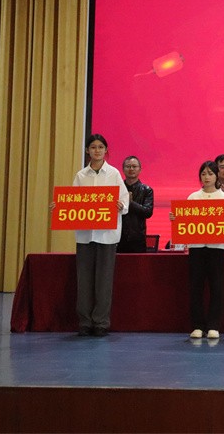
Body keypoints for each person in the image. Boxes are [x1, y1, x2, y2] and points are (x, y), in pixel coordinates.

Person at [62, 134, 129, 337]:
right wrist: (62, 206)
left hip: (107, 235)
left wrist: (121, 205)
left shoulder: (114, 173)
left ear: (106, 150)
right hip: (85, 235)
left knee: (104, 281)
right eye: (93, 147)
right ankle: (84, 322)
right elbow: (73, 201)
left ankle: (101, 322)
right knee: (84, 280)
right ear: (87, 151)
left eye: (101, 147)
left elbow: (124, 200)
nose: (97, 150)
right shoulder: (81, 175)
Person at [170, 160, 224, 340]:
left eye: (210, 173)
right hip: (197, 248)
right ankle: (197, 325)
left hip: (217, 248)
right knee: (196, 287)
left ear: (216, 176)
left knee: (217, 287)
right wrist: (176, 218)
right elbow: (184, 221)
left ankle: (214, 326)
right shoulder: (193, 197)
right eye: (203, 174)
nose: (206, 177)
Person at [116, 155, 154, 253]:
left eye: (134, 166)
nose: (131, 169)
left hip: (138, 238)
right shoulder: (117, 189)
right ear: (123, 169)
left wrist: (130, 203)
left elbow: (148, 212)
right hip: (118, 237)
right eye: (128, 166)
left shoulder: (147, 190)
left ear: (140, 169)